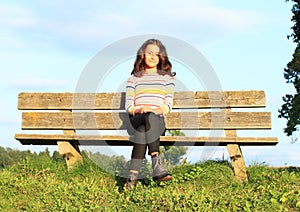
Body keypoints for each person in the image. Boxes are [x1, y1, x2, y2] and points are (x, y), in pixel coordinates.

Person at [125, 39, 175, 189]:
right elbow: (128, 106)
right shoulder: (133, 79)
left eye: (157, 54)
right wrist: (138, 109)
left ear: (161, 57)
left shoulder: (167, 79)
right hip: (137, 119)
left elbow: (167, 105)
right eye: (149, 53)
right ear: (143, 56)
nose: (153, 57)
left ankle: (131, 179)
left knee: (143, 130)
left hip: (156, 122)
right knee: (144, 121)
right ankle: (157, 164)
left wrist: (154, 111)